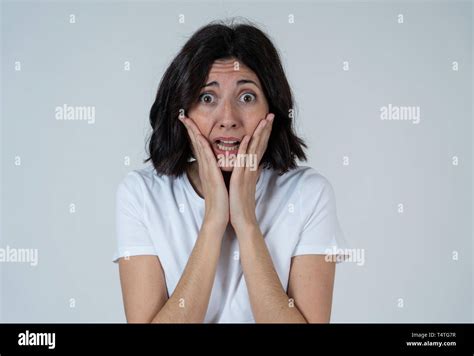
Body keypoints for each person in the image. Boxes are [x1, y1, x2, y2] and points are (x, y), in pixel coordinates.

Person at [113, 20, 348, 323]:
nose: (228, 119)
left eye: (246, 97)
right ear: (182, 110)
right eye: (207, 98)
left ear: (271, 110)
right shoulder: (140, 194)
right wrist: (213, 219)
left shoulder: (309, 194)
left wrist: (245, 219)